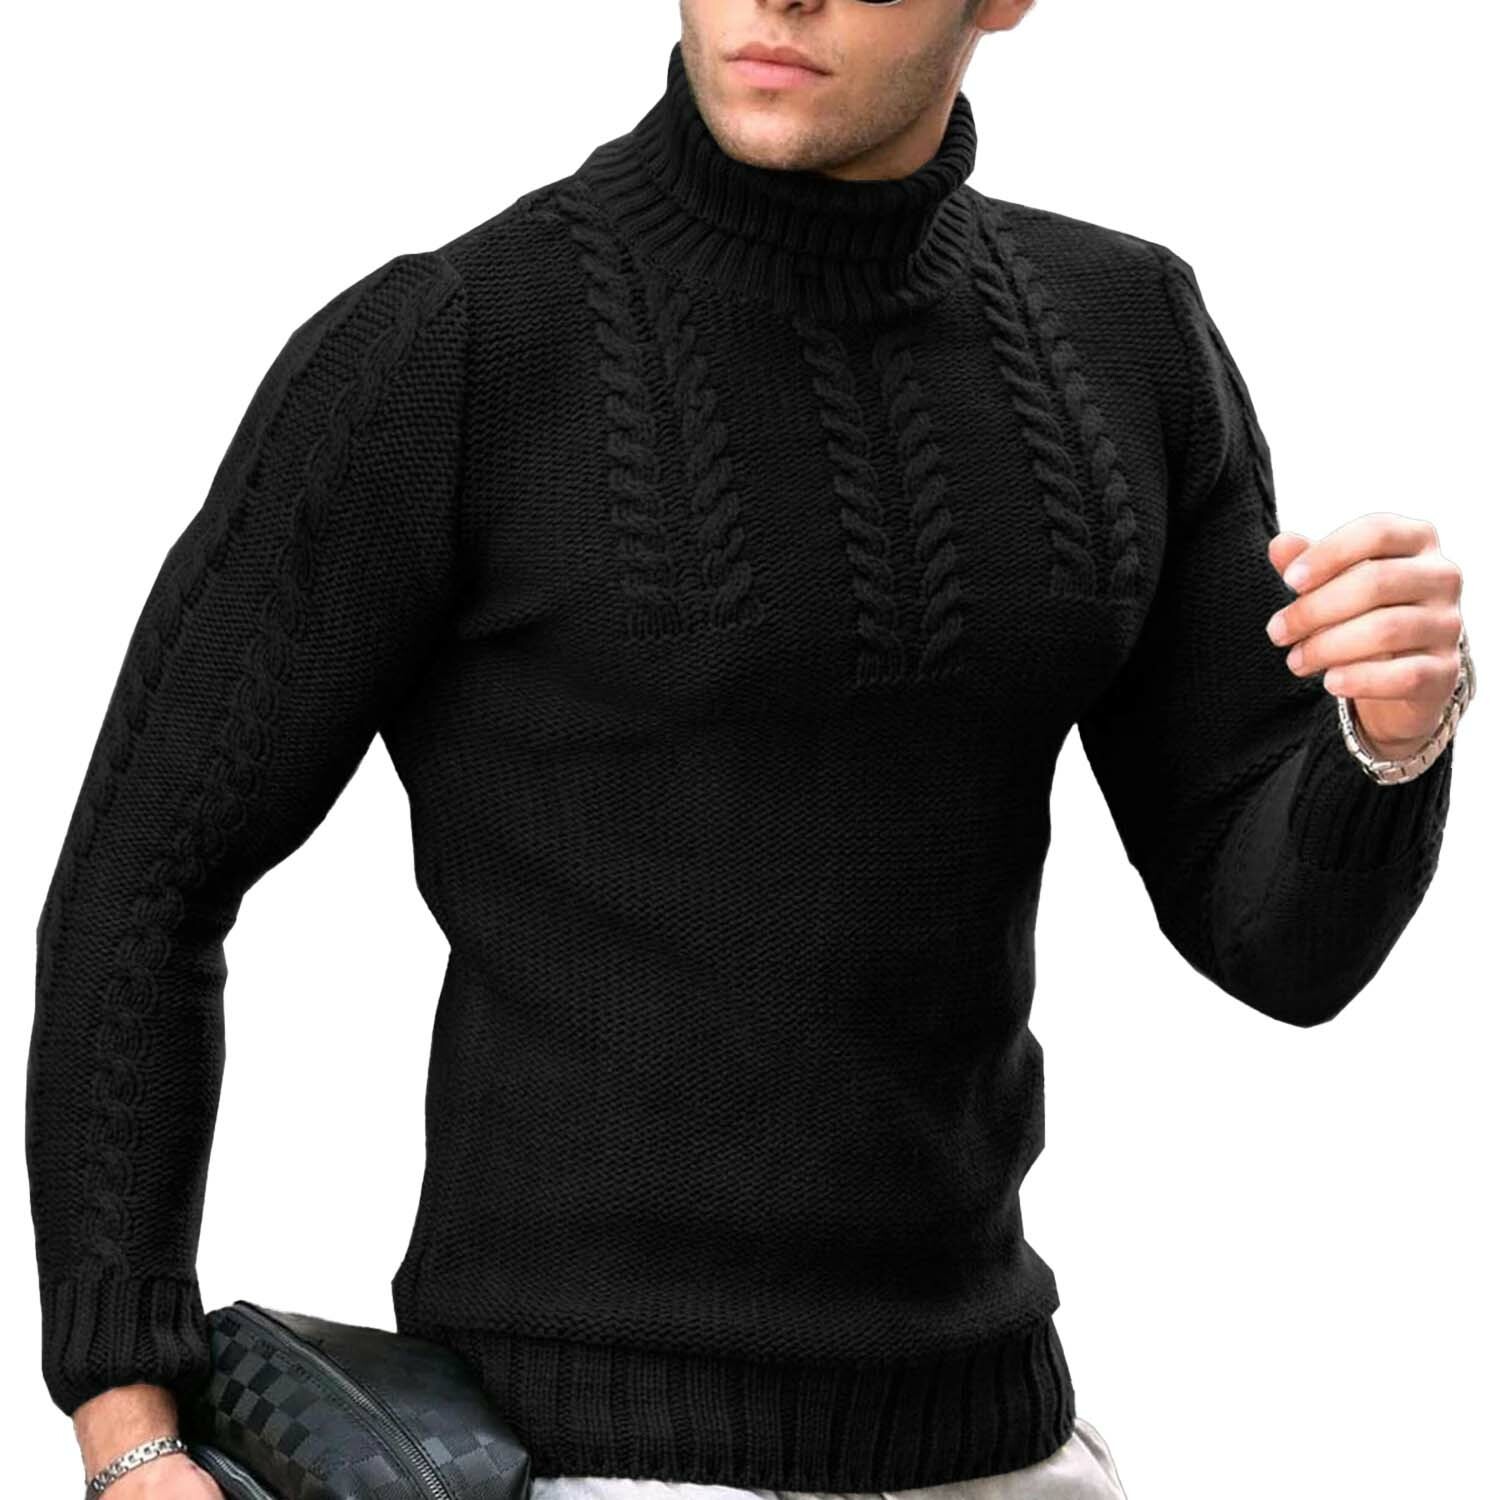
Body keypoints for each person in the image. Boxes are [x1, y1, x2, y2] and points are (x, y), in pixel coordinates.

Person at [28, 1, 1472, 1496]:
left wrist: (1390, 737)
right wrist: (131, 1432)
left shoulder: (1125, 330)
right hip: (574, 1456)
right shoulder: (455, 347)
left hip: (1004, 1443)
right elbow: (149, 877)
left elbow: (1276, 945)